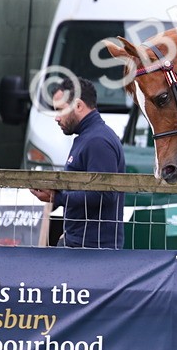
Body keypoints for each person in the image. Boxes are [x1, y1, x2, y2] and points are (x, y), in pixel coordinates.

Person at [30, 77, 125, 248]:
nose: (56, 118)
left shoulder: (98, 141)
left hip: (92, 251)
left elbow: (104, 195)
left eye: (60, 110)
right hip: (79, 244)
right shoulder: (89, 137)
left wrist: (57, 197)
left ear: (79, 106)